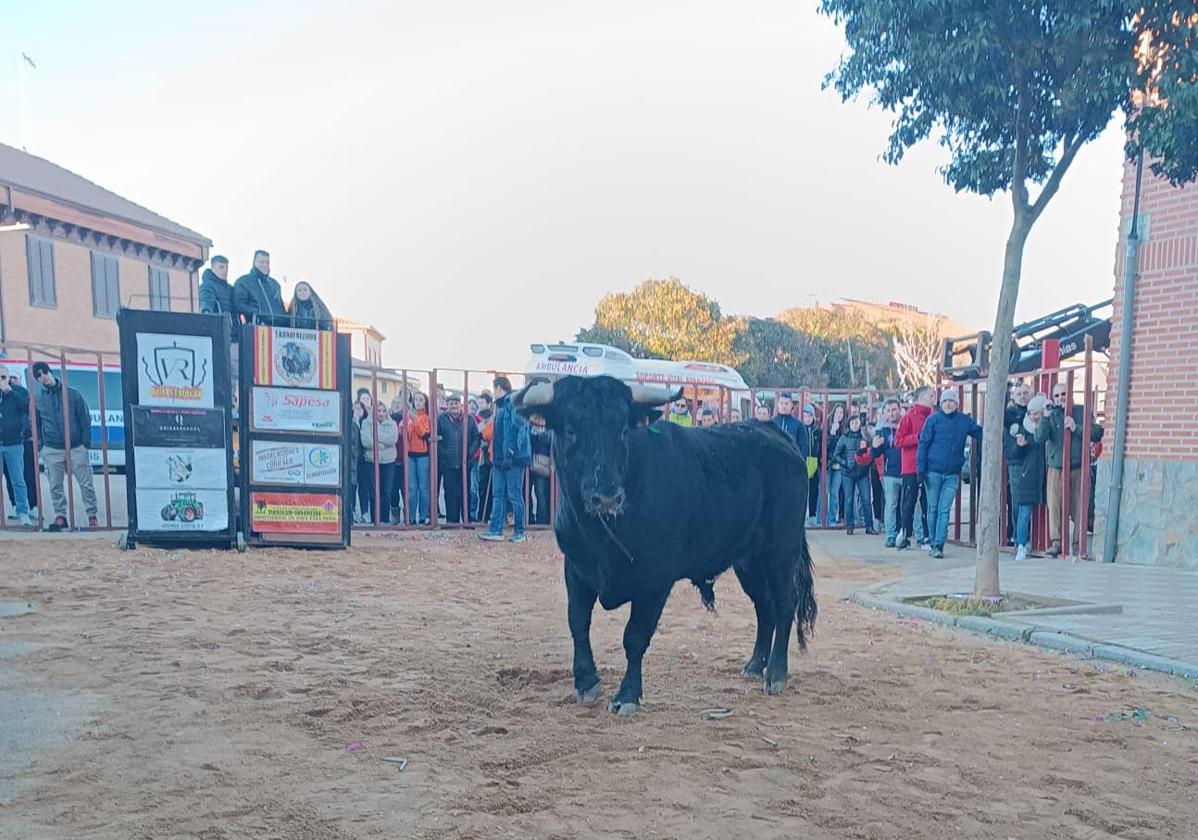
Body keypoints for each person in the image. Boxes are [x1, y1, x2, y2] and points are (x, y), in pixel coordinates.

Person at [1036, 382, 1104, 558]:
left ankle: (1078, 545)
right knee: (1055, 505)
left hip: (1078, 466)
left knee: (1079, 506)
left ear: (1071, 394)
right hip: (1056, 467)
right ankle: (1057, 542)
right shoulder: (1051, 413)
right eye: (1057, 395)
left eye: (1063, 394)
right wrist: (1045, 416)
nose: (1060, 398)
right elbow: (1040, 437)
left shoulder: (1082, 411)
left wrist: (1077, 428)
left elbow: (1097, 433)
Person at [916, 390, 983, 558]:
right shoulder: (933, 421)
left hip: (952, 474)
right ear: (941, 403)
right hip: (932, 472)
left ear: (957, 404)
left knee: (944, 509)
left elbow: (980, 432)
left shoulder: (964, 421)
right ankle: (933, 541)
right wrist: (920, 469)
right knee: (933, 508)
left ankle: (938, 545)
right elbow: (923, 444)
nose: (948, 404)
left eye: (951, 401)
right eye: (945, 401)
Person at [32, 362, 98, 531]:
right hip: (52, 448)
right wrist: (41, 446)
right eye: (38, 376)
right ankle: (61, 515)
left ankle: (92, 515)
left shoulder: (72, 394)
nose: (42, 377)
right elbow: (35, 424)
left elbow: (84, 418)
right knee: (55, 484)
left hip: (76, 446)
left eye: (44, 372)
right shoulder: (38, 399)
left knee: (86, 482)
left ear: (50, 372)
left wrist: (85, 444)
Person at [480, 376, 531, 542]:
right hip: (503, 458)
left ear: (500, 388)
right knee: (501, 494)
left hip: (512, 459)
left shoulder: (511, 405)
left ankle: (519, 531)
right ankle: (497, 530)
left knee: (512, 495)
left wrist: (510, 452)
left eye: (494, 388)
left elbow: (518, 430)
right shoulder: (503, 406)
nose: (493, 392)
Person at [1005, 393, 1047, 560]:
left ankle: (1044, 543)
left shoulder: (1046, 428)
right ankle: (1021, 544)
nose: (1033, 416)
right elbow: (1014, 454)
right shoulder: (1023, 429)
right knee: (1024, 512)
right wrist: (1019, 446)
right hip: (1028, 475)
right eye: (1030, 413)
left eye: (1036, 413)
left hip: (1044, 475)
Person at [895, 386, 935, 550]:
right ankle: (905, 534)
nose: (934, 399)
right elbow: (898, 441)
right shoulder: (908, 418)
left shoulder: (934, 417)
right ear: (922, 397)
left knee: (928, 502)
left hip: (930, 466)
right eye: (931, 395)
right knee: (909, 502)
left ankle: (927, 536)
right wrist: (917, 438)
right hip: (911, 467)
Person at [437, 393, 480, 525]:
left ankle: (466, 520)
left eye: (456, 403)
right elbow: (436, 439)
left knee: (465, 492)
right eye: (451, 403)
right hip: (448, 463)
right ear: (447, 405)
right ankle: (452, 521)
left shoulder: (470, 420)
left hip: (465, 463)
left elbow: (476, 438)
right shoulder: (441, 419)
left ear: (460, 405)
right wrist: (443, 453)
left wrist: (469, 453)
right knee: (450, 494)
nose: (453, 406)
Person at [2, 371, 38, 523]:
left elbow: (26, 409)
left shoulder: (17, 393)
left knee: (18, 479)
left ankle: (23, 511)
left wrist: (10, 392)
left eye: (3, 377)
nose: (1, 381)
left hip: (14, 444)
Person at [833, 414, 876, 535]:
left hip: (863, 472)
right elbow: (836, 455)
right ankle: (850, 526)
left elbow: (872, 451)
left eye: (857, 423)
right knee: (848, 500)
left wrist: (867, 463)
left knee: (866, 500)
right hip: (847, 472)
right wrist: (844, 463)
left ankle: (869, 526)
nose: (855, 425)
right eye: (852, 423)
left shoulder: (865, 437)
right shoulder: (844, 438)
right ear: (848, 424)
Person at [360, 403, 399, 524]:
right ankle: (375, 520)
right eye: (378, 410)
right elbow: (365, 441)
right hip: (371, 461)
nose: (381, 413)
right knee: (374, 492)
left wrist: (376, 438)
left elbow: (393, 439)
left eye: (383, 411)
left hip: (389, 462)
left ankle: (385, 520)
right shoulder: (367, 423)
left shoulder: (392, 423)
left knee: (386, 491)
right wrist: (381, 444)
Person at [871, 398, 903, 547]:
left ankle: (907, 533)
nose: (891, 413)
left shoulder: (905, 425)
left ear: (900, 409)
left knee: (908, 505)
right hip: (890, 473)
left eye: (894, 409)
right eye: (888, 411)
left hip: (907, 471)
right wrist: (875, 446)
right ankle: (890, 535)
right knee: (890, 505)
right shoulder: (882, 429)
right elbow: (876, 454)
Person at [233, 250, 286, 327]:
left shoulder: (275, 284)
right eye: (261, 262)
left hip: (277, 329)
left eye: (267, 262)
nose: (265, 265)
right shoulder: (243, 282)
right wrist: (258, 313)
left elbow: (281, 307)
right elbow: (239, 305)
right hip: (256, 327)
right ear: (254, 262)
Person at [405, 392, 432, 525]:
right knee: (411, 488)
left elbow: (424, 433)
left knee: (423, 487)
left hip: (422, 455)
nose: (418, 402)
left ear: (425, 402)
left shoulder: (426, 417)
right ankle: (410, 517)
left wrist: (415, 420)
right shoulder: (409, 416)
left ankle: (422, 516)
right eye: (416, 399)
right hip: (409, 455)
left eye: (421, 400)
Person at [198, 255, 237, 334]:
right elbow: (207, 300)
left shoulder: (231, 288)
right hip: (218, 330)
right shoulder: (207, 285)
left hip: (234, 331)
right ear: (213, 268)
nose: (225, 270)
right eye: (221, 267)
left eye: (226, 267)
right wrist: (206, 311)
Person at [824, 403, 847, 526]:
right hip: (826, 464)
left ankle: (832, 519)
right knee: (824, 492)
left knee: (834, 493)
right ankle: (821, 518)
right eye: (837, 412)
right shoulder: (827, 426)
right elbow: (825, 447)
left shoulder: (845, 430)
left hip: (839, 465)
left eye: (841, 413)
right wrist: (832, 433)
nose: (839, 415)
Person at [529, 413, 553, 525]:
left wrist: (539, 433)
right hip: (530, 462)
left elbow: (548, 442)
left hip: (541, 465)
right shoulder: (529, 427)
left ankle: (542, 519)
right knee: (530, 492)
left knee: (541, 492)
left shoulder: (549, 429)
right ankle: (530, 518)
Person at [800, 404, 822, 527]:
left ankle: (813, 516)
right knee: (803, 490)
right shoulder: (800, 429)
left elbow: (822, 447)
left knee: (814, 490)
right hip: (802, 461)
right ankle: (803, 515)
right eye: (805, 416)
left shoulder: (817, 431)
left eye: (809, 416)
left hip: (814, 462)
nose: (807, 418)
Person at [476, 391, 495, 523]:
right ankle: (482, 515)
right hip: (482, 457)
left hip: (492, 456)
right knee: (482, 488)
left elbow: (486, 435)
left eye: (482, 402)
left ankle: (489, 515)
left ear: (489, 404)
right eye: (479, 402)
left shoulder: (493, 417)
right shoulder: (476, 417)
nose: (480, 405)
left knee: (494, 489)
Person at [349, 400, 366, 523]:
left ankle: (365, 512)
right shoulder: (351, 422)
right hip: (353, 459)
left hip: (365, 460)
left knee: (364, 487)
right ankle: (352, 511)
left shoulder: (367, 423)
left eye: (360, 408)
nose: (358, 410)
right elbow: (352, 439)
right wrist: (354, 420)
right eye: (356, 408)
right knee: (352, 486)